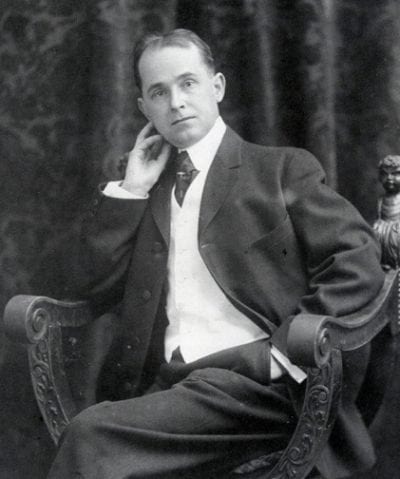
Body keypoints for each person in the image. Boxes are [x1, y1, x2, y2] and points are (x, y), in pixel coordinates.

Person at [48, 29, 384, 479]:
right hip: (169, 386)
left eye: (188, 83)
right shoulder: (145, 185)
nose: (176, 103)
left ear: (217, 87)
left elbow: (357, 261)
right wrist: (131, 190)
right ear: (144, 108)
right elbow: (86, 286)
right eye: (159, 92)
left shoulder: (281, 169)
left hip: (261, 389)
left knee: (90, 437)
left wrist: (284, 354)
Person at [374, 154, 400, 268]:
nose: (389, 178)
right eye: (385, 174)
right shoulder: (381, 200)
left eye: (395, 174)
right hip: (383, 238)